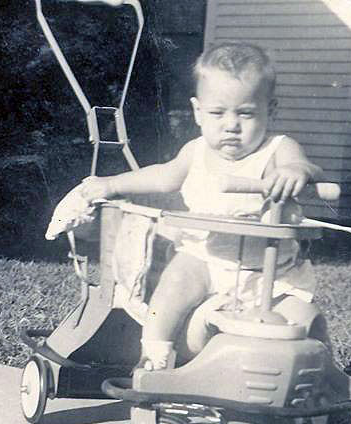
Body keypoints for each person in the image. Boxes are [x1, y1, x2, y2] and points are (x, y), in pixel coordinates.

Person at [78, 42, 328, 373]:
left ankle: (322, 374)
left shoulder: (277, 150)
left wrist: (295, 172)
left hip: (271, 272)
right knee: (174, 285)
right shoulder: (194, 153)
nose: (231, 125)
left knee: (306, 319)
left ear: (272, 110)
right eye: (217, 112)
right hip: (205, 259)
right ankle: (155, 357)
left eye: (246, 113)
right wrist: (110, 184)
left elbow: (306, 167)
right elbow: (162, 177)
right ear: (198, 112)